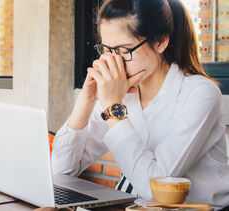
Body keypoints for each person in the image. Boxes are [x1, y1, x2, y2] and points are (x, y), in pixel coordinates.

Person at [51, 0, 229, 210]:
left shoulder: (200, 94)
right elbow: (60, 171)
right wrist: (86, 100)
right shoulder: (120, 93)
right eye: (107, 49)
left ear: (161, 41)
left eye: (124, 51)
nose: (113, 62)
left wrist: (112, 107)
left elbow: (154, 188)